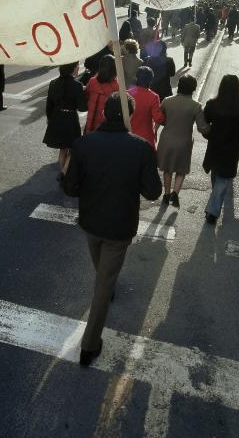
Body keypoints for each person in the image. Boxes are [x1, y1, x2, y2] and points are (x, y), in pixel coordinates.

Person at [62, 93, 162, 366]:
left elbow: (70, 187)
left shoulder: (84, 144)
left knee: (103, 273)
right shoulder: (141, 148)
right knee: (103, 285)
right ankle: (89, 345)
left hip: (91, 221)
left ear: (105, 113)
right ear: (129, 115)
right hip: (119, 225)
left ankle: (108, 283)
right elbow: (153, 192)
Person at [202, 75, 239, 225]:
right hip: (232, 149)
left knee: (216, 177)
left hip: (215, 146)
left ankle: (212, 211)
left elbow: (204, 123)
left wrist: (209, 135)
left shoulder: (212, 104)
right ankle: (213, 210)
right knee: (222, 181)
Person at [157, 74, 207, 208]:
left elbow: (159, 119)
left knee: (167, 169)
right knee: (181, 170)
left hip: (166, 140)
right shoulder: (196, 106)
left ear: (179, 86)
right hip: (184, 142)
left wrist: (154, 132)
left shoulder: (167, 101)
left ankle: (166, 194)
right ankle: (175, 193)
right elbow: (202, 128)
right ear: (193, 89)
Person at [128, 66, 164, 149]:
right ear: (151, 80)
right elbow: (158, 118)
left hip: (129, 134)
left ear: (136, 78)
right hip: (146, 137)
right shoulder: (153, 96)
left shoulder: (129, 92)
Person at [84, 54, 119, 134]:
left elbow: (86, 95)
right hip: (104, 127)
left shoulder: (92, 82)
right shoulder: (116, 87)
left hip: (90, 123)